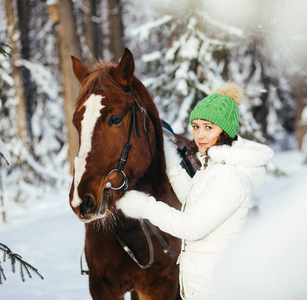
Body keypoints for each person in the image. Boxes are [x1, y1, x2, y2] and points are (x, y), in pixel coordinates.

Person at [116, 83, 274, 299]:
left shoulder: (230, 176)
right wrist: (170, 164)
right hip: (202, 284)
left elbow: (191, 227)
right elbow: (192, 199)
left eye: (209, 127)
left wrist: (144, 206)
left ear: (225, 131)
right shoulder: (215, 166)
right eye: (196, 126)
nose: (200, 135)